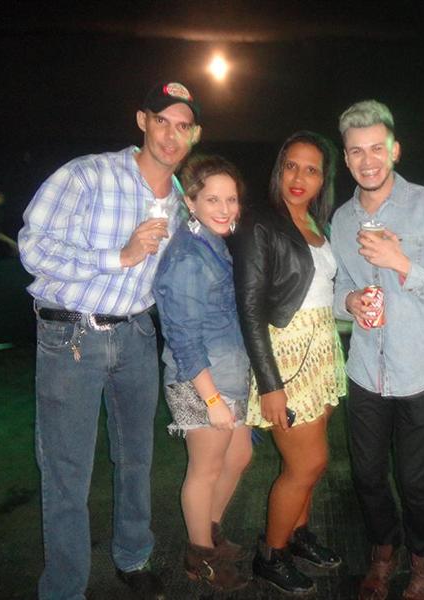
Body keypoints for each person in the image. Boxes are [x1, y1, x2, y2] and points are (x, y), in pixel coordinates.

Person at [18, 81, 202, 600]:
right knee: (67, 472)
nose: (171, 135)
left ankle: (133, 556)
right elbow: (32, 247)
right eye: (162, 121)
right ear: (142, 120)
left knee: (137, 459)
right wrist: (118, 256)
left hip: (137, 333)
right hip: (71, 335)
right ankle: (64, 588)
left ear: (195, 134)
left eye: (183, 126)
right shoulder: (87, 175)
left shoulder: (184, 202)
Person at [331, 100, 424, 600]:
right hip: (366, 370)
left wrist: (401, 262)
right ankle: (383, 551)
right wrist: (349, 302)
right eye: (356, 151)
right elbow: (337, 290)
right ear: (346, 158)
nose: (367, 160)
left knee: (416, 481)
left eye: (376, 148)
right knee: (367, 476)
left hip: (419, 370)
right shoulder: (341, 220)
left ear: (394, 150)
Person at [232, 131, 347, 595]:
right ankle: (270, 555)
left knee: (310, 464)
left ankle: (298, 535)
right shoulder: (260, 222)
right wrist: (270, 384)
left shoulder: (318, 224)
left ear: (323, 179)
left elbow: (322, 291)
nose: (299, 177)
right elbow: (250, 309)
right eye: (292, 166)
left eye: (312, 169)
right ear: (279, 169)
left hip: (322, 351)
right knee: (307, 464)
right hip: (286, 358)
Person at [152, 155, 251, 592]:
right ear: (190, 202)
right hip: (200, 380)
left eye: (231, 199)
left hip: (226, 372)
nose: (225, 208)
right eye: (213, 199)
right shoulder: (188, 256)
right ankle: (201, 558)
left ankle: (208, 531)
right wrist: (211, 400)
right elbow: (183, 338)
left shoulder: (212, 241)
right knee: (205, 470)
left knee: (239, 455)